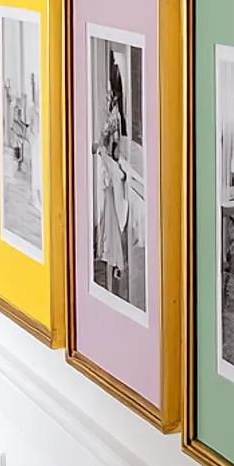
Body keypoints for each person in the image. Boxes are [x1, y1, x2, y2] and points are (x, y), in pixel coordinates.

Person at [92, 53, 130, 298]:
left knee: (113, 210)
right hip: (106, 161)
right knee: (109, 210)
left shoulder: (114, 115)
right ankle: (109, 255)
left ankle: (114, 259)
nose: (109, 96)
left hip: (109, 164)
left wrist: (109, 157)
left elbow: (115, 144)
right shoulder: (110, 113)